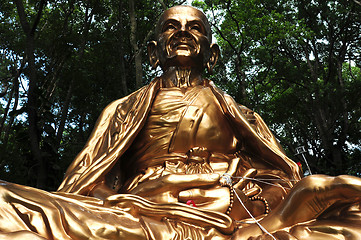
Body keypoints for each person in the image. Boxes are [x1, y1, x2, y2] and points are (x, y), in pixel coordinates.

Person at [0, 5, 360, 240]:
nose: (183, 32)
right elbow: (92, 182)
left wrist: (254, 208)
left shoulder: (242, 116)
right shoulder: (124, 111)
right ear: (155, 50)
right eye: (172, 27)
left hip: (233, 216)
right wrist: (132, 201)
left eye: (195, 27)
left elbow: (281, 178)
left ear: (212, 53)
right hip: (142, 219)